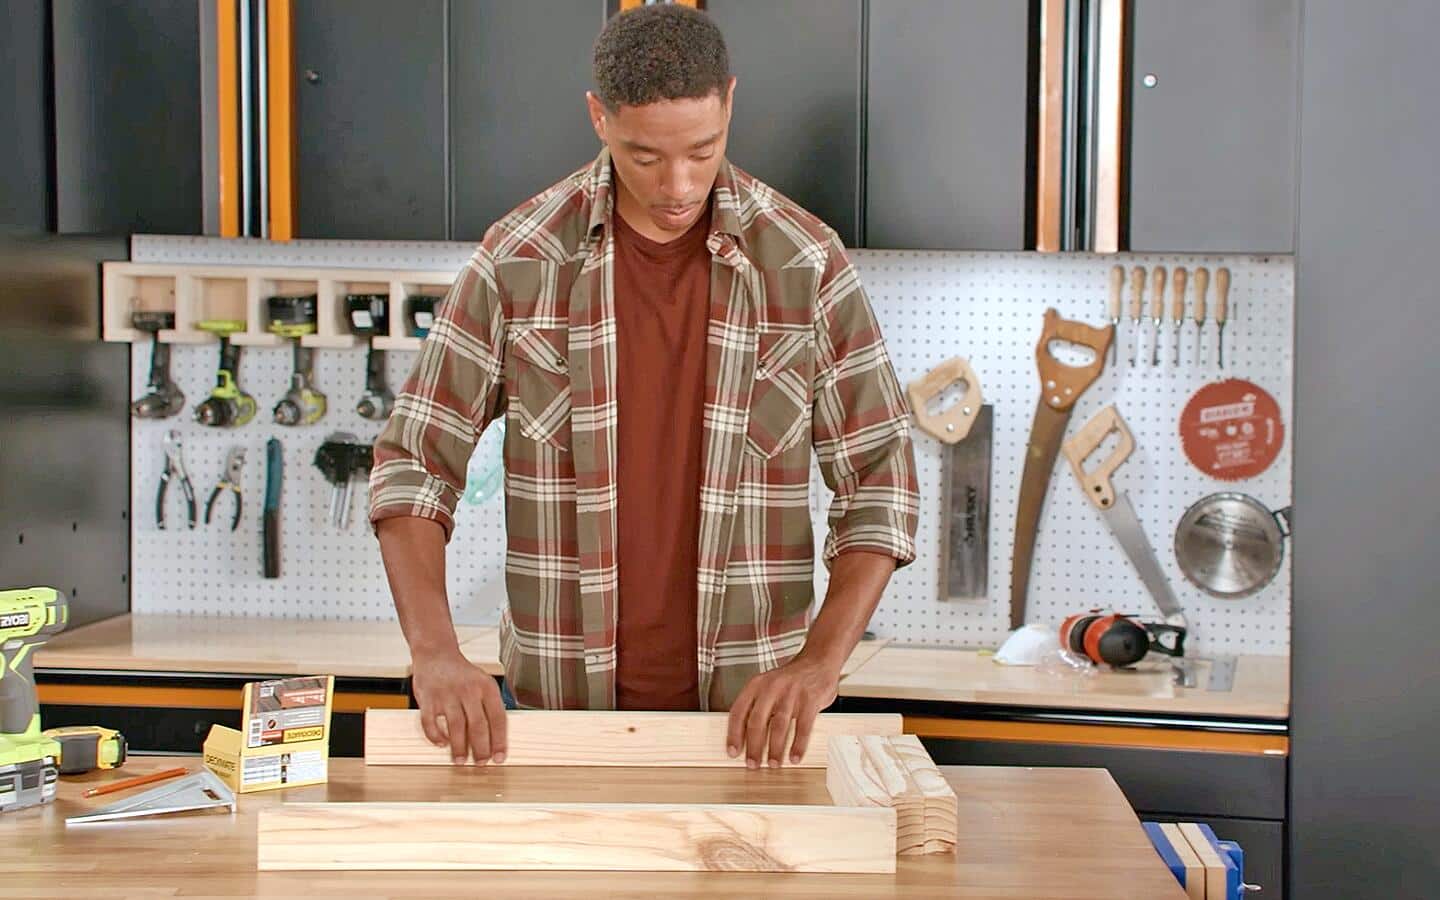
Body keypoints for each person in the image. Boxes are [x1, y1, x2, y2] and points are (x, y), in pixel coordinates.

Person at [369, 4, 917, 770]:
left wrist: (819, 663)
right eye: (645, 156)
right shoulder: (519, 259)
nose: (679, 185)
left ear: (730, 102)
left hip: (752, 734)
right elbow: (414, 465)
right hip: (556, 725)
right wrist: (434, 652)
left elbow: (880, 483)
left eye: (703, 149)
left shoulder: (805, 262)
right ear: (599, 118)